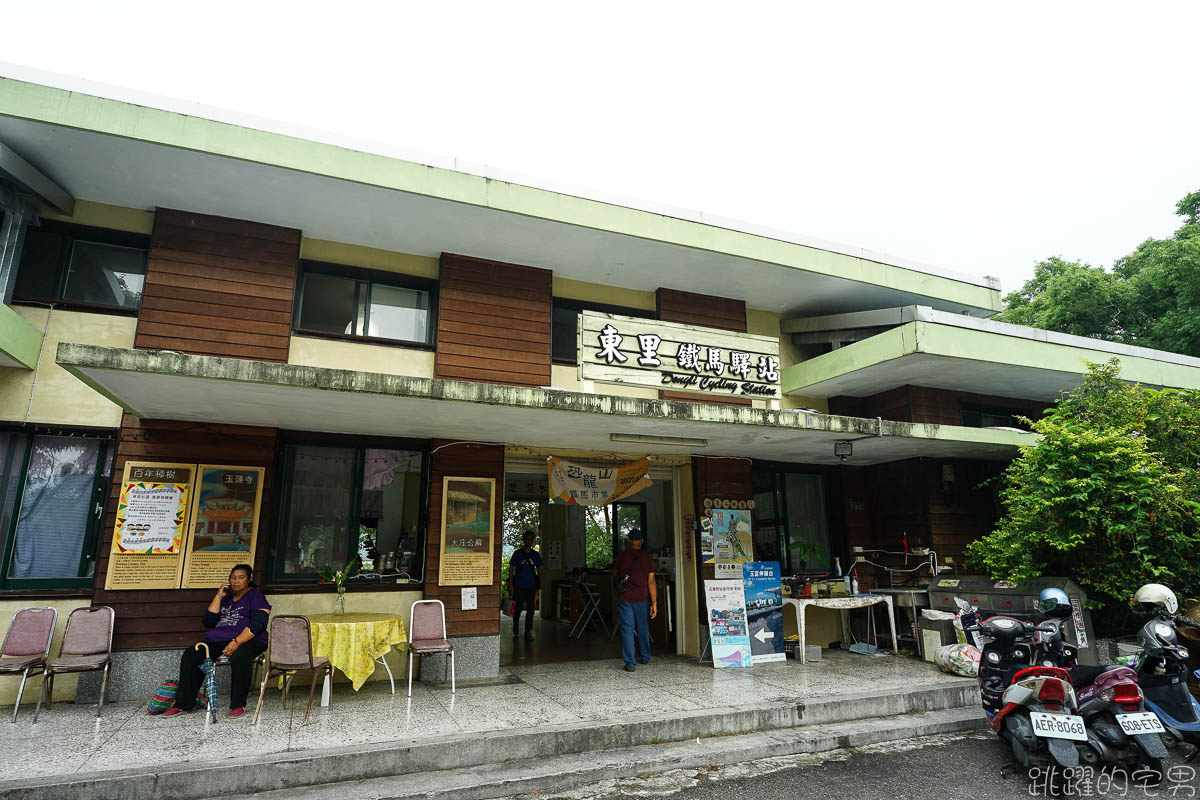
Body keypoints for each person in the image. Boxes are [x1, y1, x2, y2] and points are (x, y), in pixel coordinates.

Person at [163, 564, 271, 719]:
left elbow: (259, 623)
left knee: (240, 657)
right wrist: (219, 596)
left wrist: (236, 642)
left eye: (241, 577)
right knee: (192, 653)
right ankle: (184, 703)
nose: (236, 581)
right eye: (233, 577)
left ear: (249, 579)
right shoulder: (226, 598)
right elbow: (208, 621)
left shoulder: (256, 596)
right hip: (217, 641)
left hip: (249, 640)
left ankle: (238, 705)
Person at [613, 528, 656, 672]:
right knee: (643, 628)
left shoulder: (621, 556)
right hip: (642, 598)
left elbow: (615, 573)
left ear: (629, 541)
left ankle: (630, 664)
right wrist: (654, 603)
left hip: (625, 598)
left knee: (627, 629)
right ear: (642, 541)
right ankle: (644, 657)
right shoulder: (648, 558)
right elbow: (651, 582)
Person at [508, 530, 542, 641]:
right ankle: (515, 625)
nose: (529, 541)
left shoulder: (536, 555)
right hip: (518, 586)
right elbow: (511, 570)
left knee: (531, 610)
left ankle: (528, 631)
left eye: (531, 539)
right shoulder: (517, 554)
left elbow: (540, 570)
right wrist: (511, 585)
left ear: (533, 541)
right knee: (517, 609)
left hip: (531, 586)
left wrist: (540, 584)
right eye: (527, 539)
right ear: (524, 540)